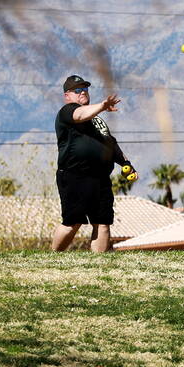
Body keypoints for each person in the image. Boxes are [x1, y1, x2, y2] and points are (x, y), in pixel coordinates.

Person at [50, 74, 137, 252]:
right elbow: (80, 114)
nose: (82, 92)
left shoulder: (97, 119)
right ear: (67, 95)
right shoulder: (67, 112)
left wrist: (126, 163)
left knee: (103, 222)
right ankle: (54, 256)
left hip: (100, 177)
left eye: (85, 89)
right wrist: (102, 106)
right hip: (74, 175)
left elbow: (111, 143)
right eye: (77, 90)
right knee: (72, 222)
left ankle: (99, 265)